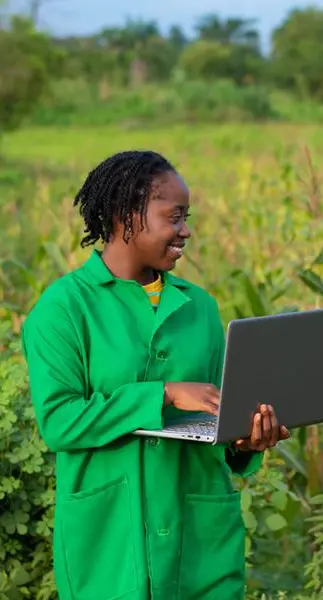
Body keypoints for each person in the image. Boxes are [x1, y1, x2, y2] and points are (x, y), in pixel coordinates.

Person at [20, 150, 290, 600]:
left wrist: (246, 441)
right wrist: (163, 393)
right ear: (127, 216)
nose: (186, 230)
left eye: (187, 217)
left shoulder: (199, 307)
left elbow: (216, 417)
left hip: (199, 540)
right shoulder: (64, 308)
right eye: (174, 217)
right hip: (109, 543)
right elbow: (59, 421)